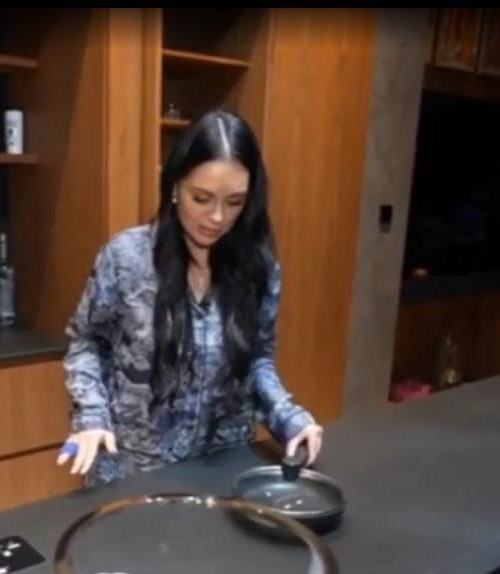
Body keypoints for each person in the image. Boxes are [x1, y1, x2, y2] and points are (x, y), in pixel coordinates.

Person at [58, 109, 323, 486]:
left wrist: (289, 418)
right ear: (174, 187)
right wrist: (91, 417)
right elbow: (87, 343)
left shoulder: (257, 268)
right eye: (202, 198)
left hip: (223, 470)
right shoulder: (126, 258)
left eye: (234, 202)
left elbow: (257, 360)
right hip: (135, 472)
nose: (217, 217)